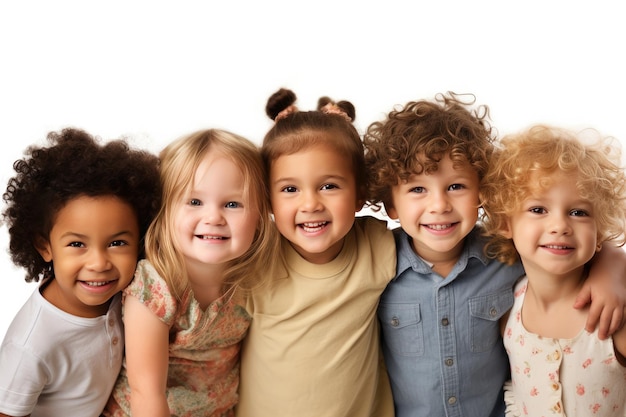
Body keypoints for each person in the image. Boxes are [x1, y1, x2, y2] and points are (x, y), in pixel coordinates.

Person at [362, 93, 626, 417]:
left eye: (456, 186)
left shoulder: (503, 255)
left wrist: (612, 267)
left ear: (482, 194)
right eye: (418, 189)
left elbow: (575, 242)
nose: (440, 205)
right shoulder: (375, 263)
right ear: (391, 205)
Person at [235, 89, 396, 416]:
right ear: (268, 199)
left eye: (329, 186)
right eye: (290, 189)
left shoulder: (377, 246)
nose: (310, 204)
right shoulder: (255, 260)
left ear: (360, 194)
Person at [104, 129, 279, 417]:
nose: (213, 218)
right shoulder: (155, 286)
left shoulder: (252, 279)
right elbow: (146, 391)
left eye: (232, 204)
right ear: (165, 211)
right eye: (194, 202)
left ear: (260, 217)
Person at [0, 128, 161, 417]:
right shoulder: (30, 345)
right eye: (77, 244)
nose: (99, 263)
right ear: (45, 246)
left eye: (117, 243)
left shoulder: (131, 292)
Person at [481, 125, 626, 416]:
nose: (560, 226)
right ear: (505, 223)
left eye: (579, 212)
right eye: (538, 209)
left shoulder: (613, 315)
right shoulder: (506, 306)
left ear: (600, 230)